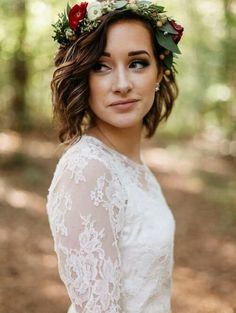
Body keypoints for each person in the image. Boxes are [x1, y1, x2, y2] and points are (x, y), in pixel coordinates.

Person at [46, 1, 184, 312]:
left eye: (137, 63)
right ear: (83, 76)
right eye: (101, 66)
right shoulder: (88, 168)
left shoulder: (130, 165)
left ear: (160, 72)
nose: (122, 85)